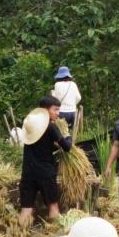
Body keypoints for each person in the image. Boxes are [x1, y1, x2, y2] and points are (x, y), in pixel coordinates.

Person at [17, 97, 74, 228]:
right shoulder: (51, 127)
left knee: (26, 209)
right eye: (55, 109)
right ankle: (54, 232)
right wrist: (68, 137)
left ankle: (19, 235)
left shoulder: (29, 127)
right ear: (45, 110)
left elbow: (42, 146)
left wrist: (54, 145)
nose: (58, 113)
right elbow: (67, 147)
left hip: (28, 173)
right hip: (45, 174)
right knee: (53, 205)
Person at [50, 66, 83, 131]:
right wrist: (72, 104)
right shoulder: (73, 84)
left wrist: (52, 93)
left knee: (62, 133)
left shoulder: (57, 84)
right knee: (72, 133)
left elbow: (56, 100)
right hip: (73, 113)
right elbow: (79, 97)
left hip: (62, 113)